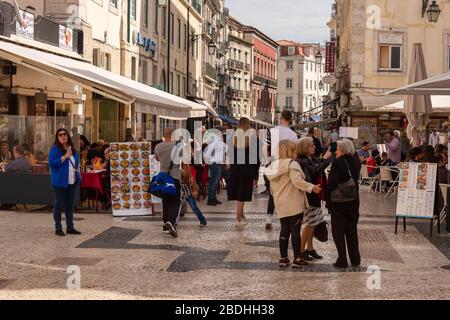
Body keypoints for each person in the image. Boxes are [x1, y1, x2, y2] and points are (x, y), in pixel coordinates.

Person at [266, 140, 321, 268]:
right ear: (289, 151)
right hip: (293, 203)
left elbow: (272, 189)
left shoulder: (273, 166)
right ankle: (297, 258)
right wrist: (312, 187)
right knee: (295, 231)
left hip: (280, 203)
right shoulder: (292, 164)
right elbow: (297, 181)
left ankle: (283, 258)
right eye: (294, 150)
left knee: (284, 230)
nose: (296, 152)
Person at [326, 139, 361, 269]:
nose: (336, 151)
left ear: (342, 149)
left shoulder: (338, 162)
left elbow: (332, 183)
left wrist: (327, 197)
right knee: (352, 230)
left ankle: (342, 259)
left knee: (338, 232)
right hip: (353, 200)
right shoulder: (355, 161)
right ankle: (355, 259)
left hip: (339, 203)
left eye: (338, 149)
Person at [297, 137, 332, 262]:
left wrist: (325, 159)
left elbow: (320, 166)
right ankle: (301, 251)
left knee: (314, 223)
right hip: (309, 195)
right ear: (305, 148)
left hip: (316, 195)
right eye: (312, 146)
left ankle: (310, 249)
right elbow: (315, 171)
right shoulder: (302, 160)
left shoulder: (312, 158)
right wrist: (325, 158)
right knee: (309, 224)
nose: (314, 147)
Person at [263, 110, 298, 230]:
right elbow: (295, 152)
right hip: (287, 165)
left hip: (274, 164)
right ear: (290, 119)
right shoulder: (293, 134)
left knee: (273, 193)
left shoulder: (271, 131)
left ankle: (269, 218)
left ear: (281, 118)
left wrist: (268, 161)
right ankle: (287, 217)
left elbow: (265, 147)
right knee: (288, 191)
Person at [228, 117, 260, 227]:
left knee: (240, 191)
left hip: (236, 168)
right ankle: (238, 219)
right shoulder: (251, 136)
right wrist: (256, 172)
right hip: (247, 168)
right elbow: (256, 155)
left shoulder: (233, 136)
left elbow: (229, 154)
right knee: (242, 193)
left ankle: (241, 215)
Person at [48, 128, 81, 237]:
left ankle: (70, 227)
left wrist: (77, 175)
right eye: (60, 135)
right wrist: (64, 157)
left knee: (69, 205)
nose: (63, 136)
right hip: (59, 182)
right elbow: (52, 164)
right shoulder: (54, 149)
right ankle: (58, 228)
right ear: (57, 138)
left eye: (64, 134)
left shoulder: (73, 150)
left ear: (68, 136)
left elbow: (75, 165)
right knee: (58, 205)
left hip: (72, 181)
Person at [154, 128, 182, 238]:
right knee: (175, 201)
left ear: (164, 135)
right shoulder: (178, 146)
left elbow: (157, 159)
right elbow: (184, 161)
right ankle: (171, 222)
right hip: (174, 177)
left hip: (163, 177)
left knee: (165, 200)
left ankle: (165, 223)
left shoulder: (158, 146)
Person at [0, 145, 32, 210]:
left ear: (16, 152)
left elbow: (5, 169)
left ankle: (6, 203)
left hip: (16, 189)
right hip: (22, 186)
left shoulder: (18, 162)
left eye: (13, 151)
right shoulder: (25, 160)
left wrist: (2, 166)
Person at [203, 127, 227, 206]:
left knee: (215, 182)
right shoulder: (215, 142)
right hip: (215, 163)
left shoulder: (219, 142)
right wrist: (211, 160)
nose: (223, 133)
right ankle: (210, 199)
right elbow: (207, 153)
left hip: (218, 163)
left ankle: (213, 198)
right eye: (221, 131)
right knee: (213, 182)